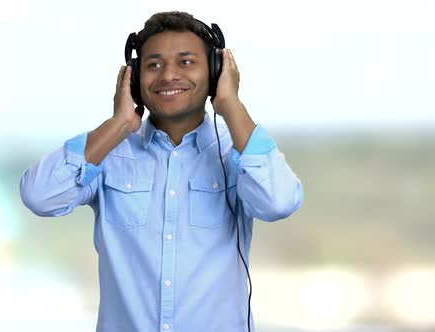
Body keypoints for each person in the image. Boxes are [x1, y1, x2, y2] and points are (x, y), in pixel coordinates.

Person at [20, 11, 303, 332]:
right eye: (153, 65)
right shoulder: (109, 152)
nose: (168, 75)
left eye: (185, 62)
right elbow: (39, 196)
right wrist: (120, 124)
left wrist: (230, 104)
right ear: (134, 77)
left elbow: (279, 202)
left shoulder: (236, 152)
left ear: (215, 70)